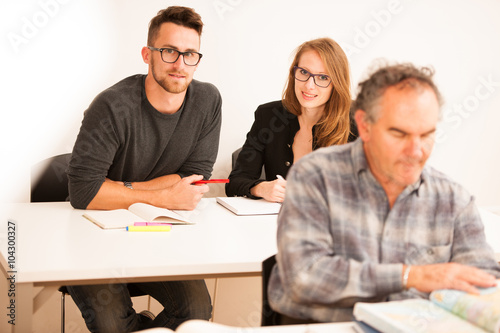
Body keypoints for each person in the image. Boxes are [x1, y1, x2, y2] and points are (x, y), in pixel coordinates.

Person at [267, 63, 500, 324]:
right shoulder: (314, 176)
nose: (416, 151)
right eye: (399, 134)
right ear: (364, 126)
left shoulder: (454, 199)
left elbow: (484, 281)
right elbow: (304, 276)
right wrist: (411, 276)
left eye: (427, 135)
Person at [66, 6, 220, 332]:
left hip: (158, 233)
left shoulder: (208, 100)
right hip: (93, 234)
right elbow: (84, 192)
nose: (180, 64)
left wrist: (120, 189)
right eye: (169, 52)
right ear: (147, 54)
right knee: (111, 325)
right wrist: (164, 197)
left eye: (190, 54)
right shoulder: (111, 106)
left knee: (196, 309)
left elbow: (193, 176)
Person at [225, 38, 358, 202]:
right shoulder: (268, 116)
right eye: (304, 72)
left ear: (336, 83)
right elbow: (234, 183)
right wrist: (261, 188)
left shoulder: (358, 121)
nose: (309, 85)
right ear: (293, 73)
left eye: (323, 77)